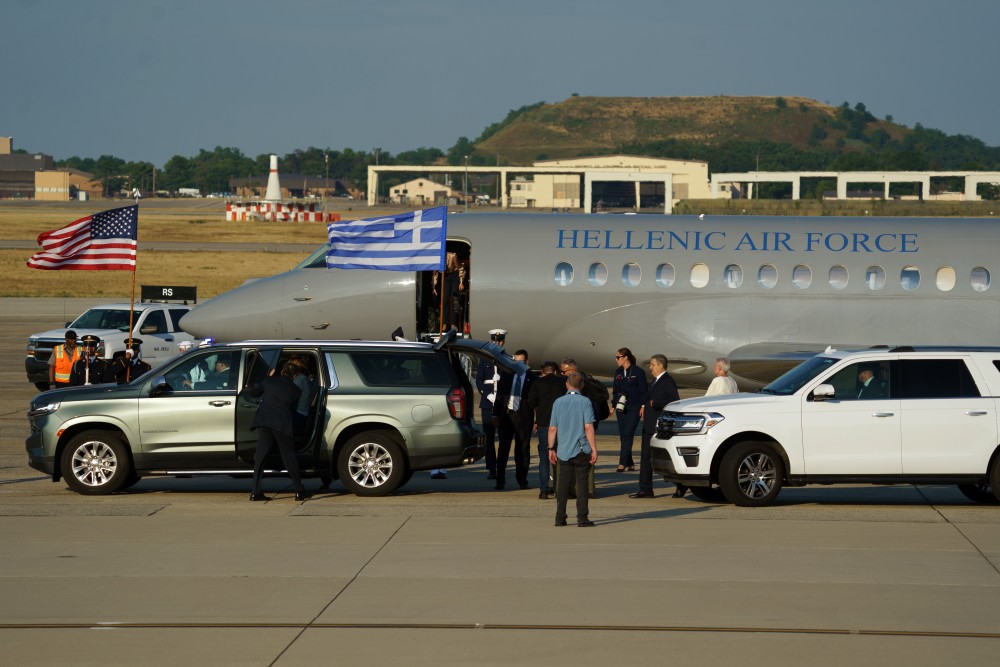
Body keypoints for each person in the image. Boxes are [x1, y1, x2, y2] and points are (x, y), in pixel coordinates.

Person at [244, 362, 309, 502]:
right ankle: (299, 491)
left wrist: (268, 377)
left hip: (265, 422)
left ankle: (255, 492)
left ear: (281, 371)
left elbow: (253, 392)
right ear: (294, 376)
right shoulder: (295, 390)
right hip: (282, 425)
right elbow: (293, 407)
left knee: (260, 458)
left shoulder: (268, 381)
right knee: (289, 457)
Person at [548, 372, 598, 527]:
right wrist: (594, 449)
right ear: (581, 385)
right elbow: (588, 426)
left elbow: (552, 428)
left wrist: (551, 448)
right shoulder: (585, 402)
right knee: (582, 483)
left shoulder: (558, 402)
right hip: (581, 448)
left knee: (562, 484)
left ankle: (560, 517)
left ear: (567, 384)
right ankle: (582, 518)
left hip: (563, 449)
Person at [631, 354, 679, 499]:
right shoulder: (655, 381)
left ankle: (681, 486)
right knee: (645, 458)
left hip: (659, 428)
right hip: (649, 426)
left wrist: (655, 403)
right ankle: (645, 489)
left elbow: (674, 400)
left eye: (652, 365)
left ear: (660, 365)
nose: (650, 367)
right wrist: (645, 404)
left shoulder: (667, 381)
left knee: (666, 458)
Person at [495, 349, 536, 490]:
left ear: (527, 362)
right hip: (507, 415)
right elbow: (499, 397)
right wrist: (495, 415)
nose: (518, 364)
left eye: (521, 362)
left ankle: (522, 480)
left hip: (524, 417)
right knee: (503, 449)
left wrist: (536, 419)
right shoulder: (507, 375)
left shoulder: (532, 377)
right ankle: (500, 480)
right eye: (516, 361)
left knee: (523, 449)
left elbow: (535, 400)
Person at [525, 361, 566, 499]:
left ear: (543, 372)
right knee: (560, 456)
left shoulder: (537, 383)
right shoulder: (563, 382)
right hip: (560, 423)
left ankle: (544, 489)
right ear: (555, 371)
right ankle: (558, 488)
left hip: (543, 423)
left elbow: (531, 402)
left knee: (544, 457)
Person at [475, 328, 507, 480]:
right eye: (495, 340)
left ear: (503, 342)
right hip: (488, 402)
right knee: (489, 437)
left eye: (500, 340)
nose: (497, 343)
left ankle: (501, 466)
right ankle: (491, 468)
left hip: (502, 402)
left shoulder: (507, 358)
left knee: (503, 437)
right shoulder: (485, 358)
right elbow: (479, 380)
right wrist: (487, 394)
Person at [612, 347, 648, 473]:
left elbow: (644, 390)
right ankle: (630, 462)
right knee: (623, 435)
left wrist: (644, 406)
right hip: (621, 407)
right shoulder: (618, 372)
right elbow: (615, 390)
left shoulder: (638, 371)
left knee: (628, 434)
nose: (616, 360)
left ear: (626, 357)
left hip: (634, 406)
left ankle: (622, 463)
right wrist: (613, 405)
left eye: (618, 357)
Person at [432, 251, 467, 332]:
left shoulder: (452, 256)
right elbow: (435, 273)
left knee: (453, 299)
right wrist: (434, 286)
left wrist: (461, 282)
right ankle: (444, 323)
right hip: (446, 276)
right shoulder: (437, 259)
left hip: (455, 275)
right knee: (445, 299)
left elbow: (460, 268)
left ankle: (453, 324)